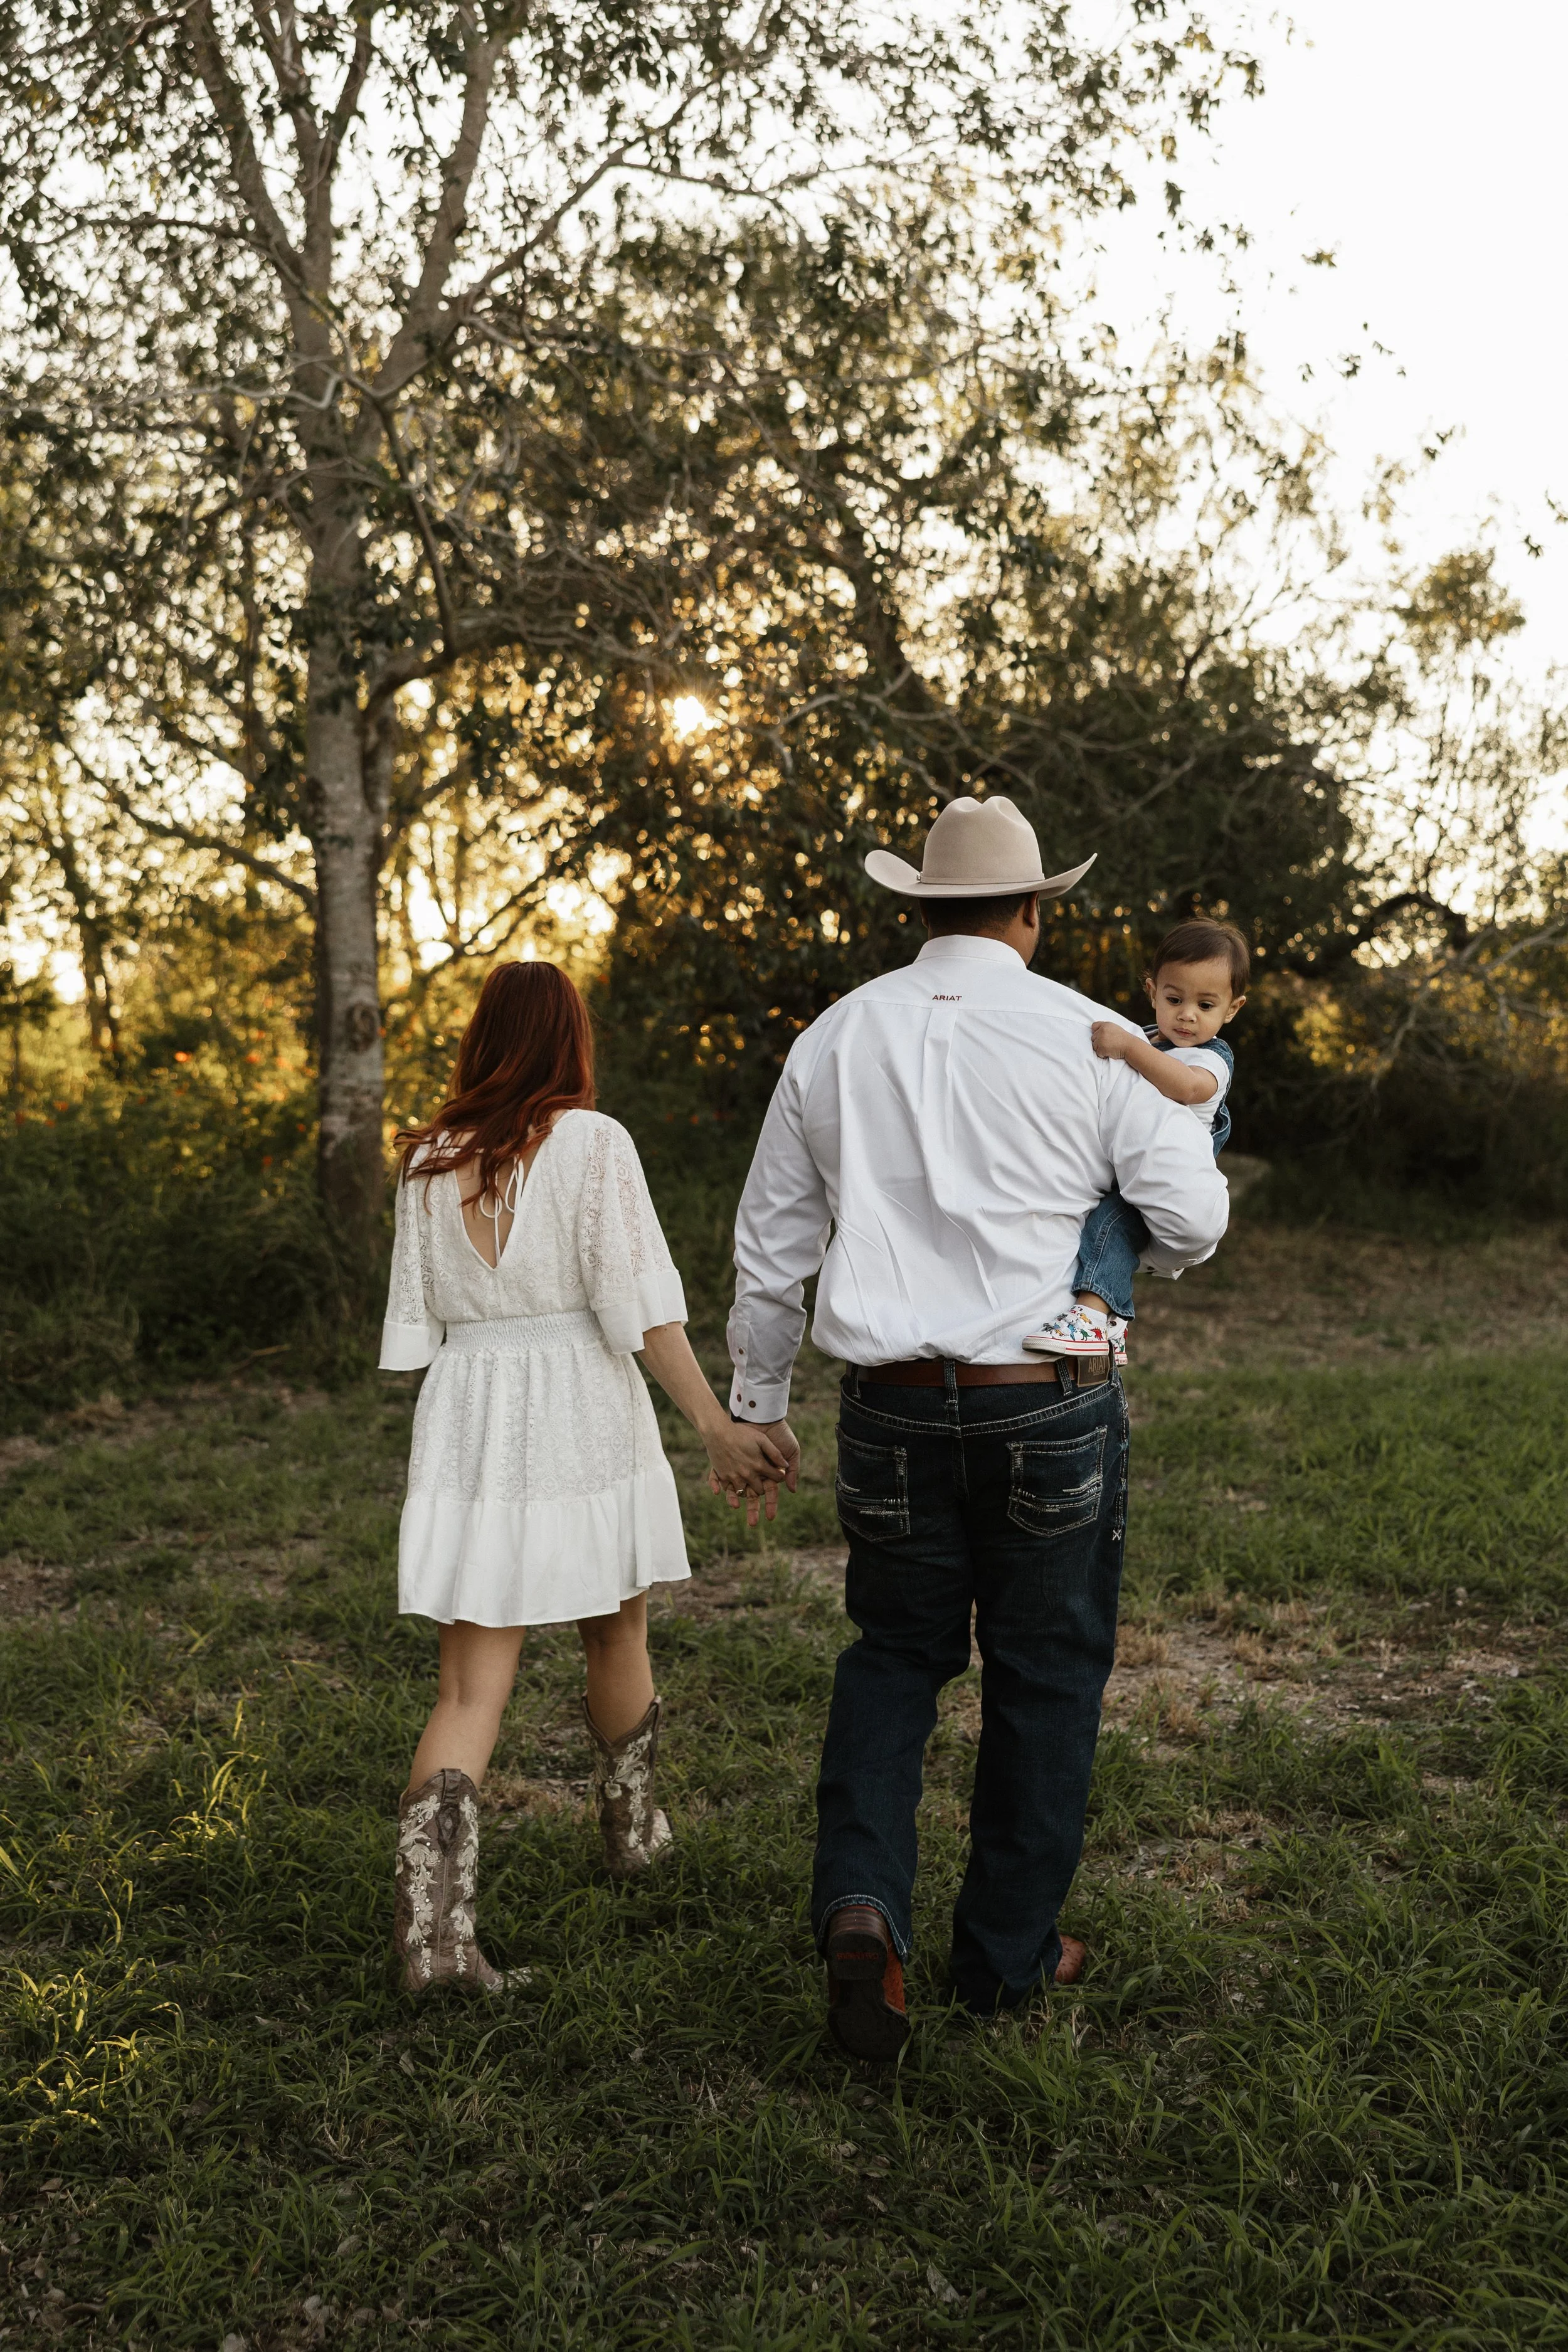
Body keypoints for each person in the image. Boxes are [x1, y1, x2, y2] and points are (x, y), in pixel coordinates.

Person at [726, 795, 1227, 2060]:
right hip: (1044, 1402)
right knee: (1045, 1673)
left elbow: (771, 1247)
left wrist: (758, 1404)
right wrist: (1117, 1256)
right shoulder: (1095, 1034)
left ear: (917, 910)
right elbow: (1194, 1218)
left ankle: (860, 1906)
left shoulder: (833, 1038)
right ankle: (1003, 1960)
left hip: (887, 1404)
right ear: (1031, 910)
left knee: (891, 1659)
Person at [379, 960, 788, 1994]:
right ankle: (634, 1833)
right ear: (571, 1042)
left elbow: (416, 1332)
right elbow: (640, 1306)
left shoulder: (428, 1160)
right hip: (579, 1402)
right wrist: (714, 1424)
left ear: (482, 1042)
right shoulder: (594, 1144)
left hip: (469, 1409)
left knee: (469, 1684)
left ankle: (436, 1942)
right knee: (617, 1627)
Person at [1023, 919, 1248, 1365]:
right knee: (1103, 1230)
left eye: (1206, 1004)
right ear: (1152, 992)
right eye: (1174, 999)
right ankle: (1113, 1328)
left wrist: (1128, 1048)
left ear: (1232, 1009)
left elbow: (1186, 1087)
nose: (1187, 1014)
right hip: (1133, 1170)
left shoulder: (1210, 1058)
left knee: (1110, 1227)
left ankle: (1090, 1317)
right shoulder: (1147, 1037)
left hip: (1171, 1181)